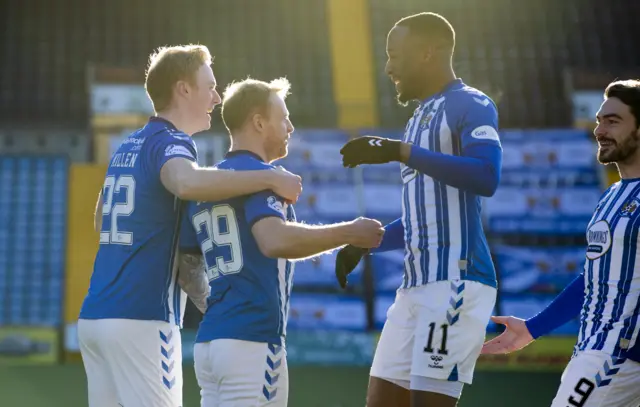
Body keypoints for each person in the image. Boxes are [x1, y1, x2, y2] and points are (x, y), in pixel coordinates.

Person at [77, 45, 302, 407]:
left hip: (95, 317)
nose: (215, 97)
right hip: (142, 318)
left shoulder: (128, 145)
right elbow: (186, 182)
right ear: (183, 89)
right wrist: (270, 178)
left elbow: (102, 215)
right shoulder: (172, 141)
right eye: (209, 86)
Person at [179, 77, 385, 407]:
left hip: (210, 343)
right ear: (259, 123)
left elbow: (186, 270)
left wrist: (223, 308)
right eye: (284, 117)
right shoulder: (263, 179)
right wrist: (349, 232)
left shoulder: (206, 185)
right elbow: (273, 241)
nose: (290, 127)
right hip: (252, 343)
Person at [335, 12, 503, 407]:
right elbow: (424, 217)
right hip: (415, 287)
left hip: (455, 284)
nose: (388, 67)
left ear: (429, 52)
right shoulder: (416, 119)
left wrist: (399, 151)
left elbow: (486, 177)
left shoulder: (472, 103)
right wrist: (369, 243)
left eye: (396, 55)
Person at [481, 79, 640, 407]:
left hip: (618, 357)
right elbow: (595, 279)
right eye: (599, 121)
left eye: (613, 121)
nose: (600, 130)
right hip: (597, 351)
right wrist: (533, 328)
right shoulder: (611, 196)